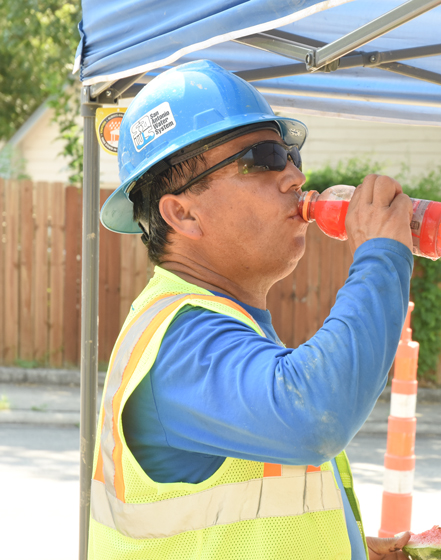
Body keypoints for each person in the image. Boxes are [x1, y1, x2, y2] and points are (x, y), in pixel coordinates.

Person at [89, 60, 414, 560]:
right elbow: (314, 415)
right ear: (183, 213)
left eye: (289, 154)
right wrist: (380, 255)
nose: (294, 176)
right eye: (262, 159)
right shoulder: (179, 341)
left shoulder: (223, 326)